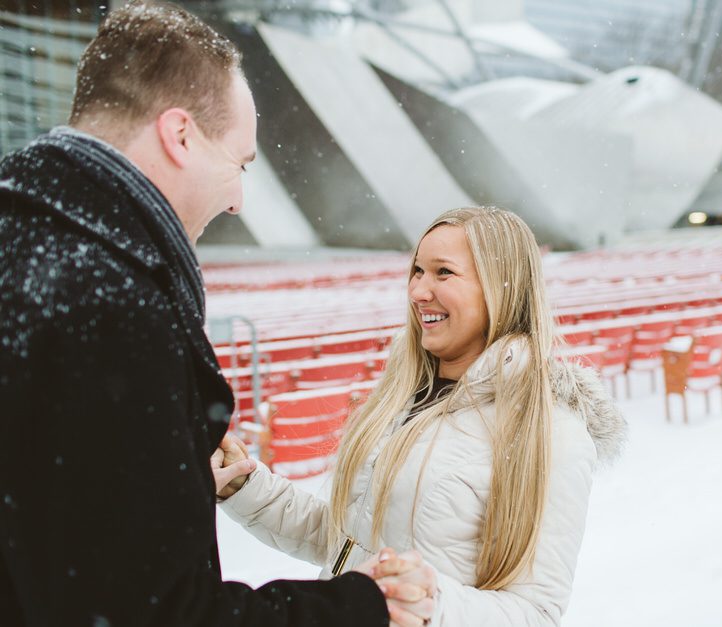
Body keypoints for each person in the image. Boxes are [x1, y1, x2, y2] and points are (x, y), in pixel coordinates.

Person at [0, 2, 433, 625]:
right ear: (179, 135)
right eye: (240, 162)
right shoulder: (110, 309)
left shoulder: (33, 249)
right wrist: (355, 609)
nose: (237, 201)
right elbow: (149, 614)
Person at [214, 207, 626, 625]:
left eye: (443, 272)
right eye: (417, 271)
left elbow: (535, 613)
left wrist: (431, 604)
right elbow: (352, 544)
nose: (418, 291)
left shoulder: (552, 431)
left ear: (501, 288)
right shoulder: (403, 396)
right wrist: (248, 487)